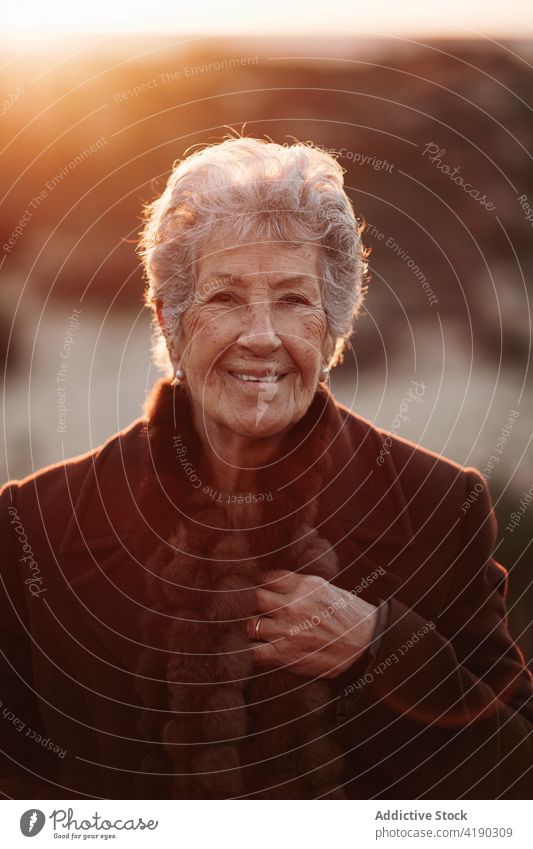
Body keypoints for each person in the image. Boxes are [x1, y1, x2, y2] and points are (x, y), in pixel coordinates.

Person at [0, 137, 531, 800]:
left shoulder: (440, 506)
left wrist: (380, 647)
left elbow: (513, 783)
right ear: (170, 320)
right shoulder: (37, 521)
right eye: (223, 298)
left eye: (292, 300)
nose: (260, 335)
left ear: (333, 325)